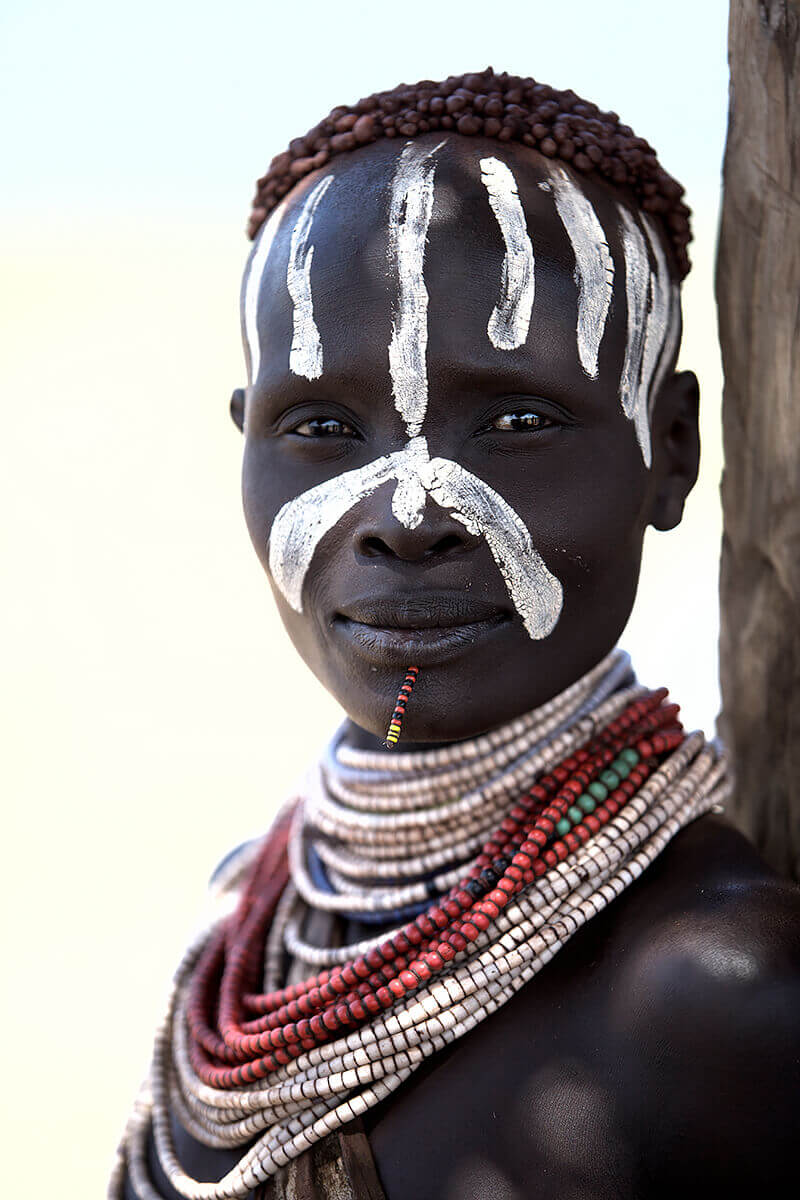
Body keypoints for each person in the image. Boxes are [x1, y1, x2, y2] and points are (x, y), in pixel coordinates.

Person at [114, 69, 800, 1200]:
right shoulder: (246, 919)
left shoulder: (725, 1007)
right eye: (320, 427)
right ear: (244, 439)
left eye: (517, 420)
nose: (405, 515)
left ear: (668, 449)